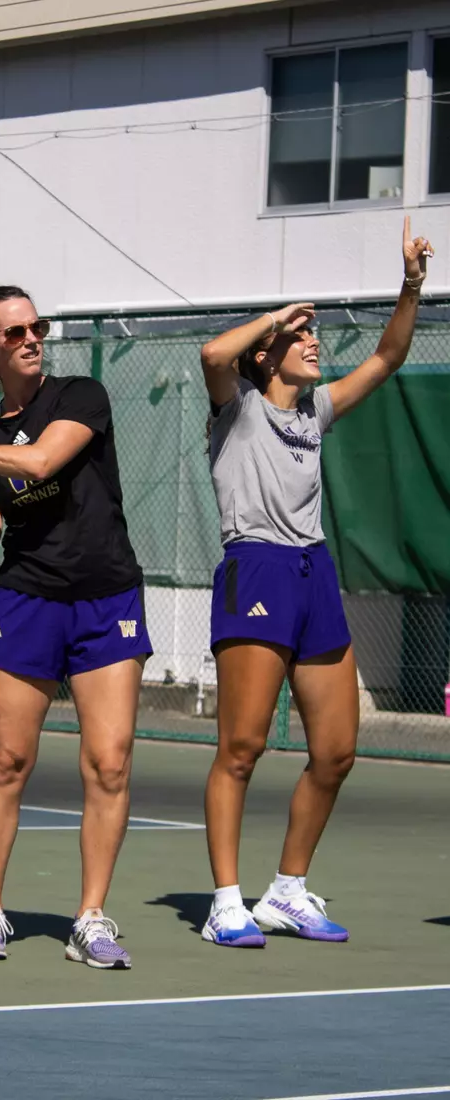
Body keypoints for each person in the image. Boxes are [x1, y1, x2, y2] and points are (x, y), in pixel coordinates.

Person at [199, 218, 433, 947]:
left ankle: (286, 892)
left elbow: (387, 356)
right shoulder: (234, 410)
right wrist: (276, 314)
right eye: (301, 337)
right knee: (240, 748)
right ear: (267, 354)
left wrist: (410, 286)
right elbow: (212, 352)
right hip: (256, 568)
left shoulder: (315, 411)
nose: (313, 342)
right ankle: (224, 903)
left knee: (335, 752)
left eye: (313, 334)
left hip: (312, 571)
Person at [0, 285, 152, 970]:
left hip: (107, 598)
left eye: (35, 326)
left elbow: (44, 461)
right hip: (28, 601)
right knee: (4, 761)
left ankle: (91, 920)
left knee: (109, 762)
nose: (30, 338)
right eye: (12, 332)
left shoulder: (81, 396)